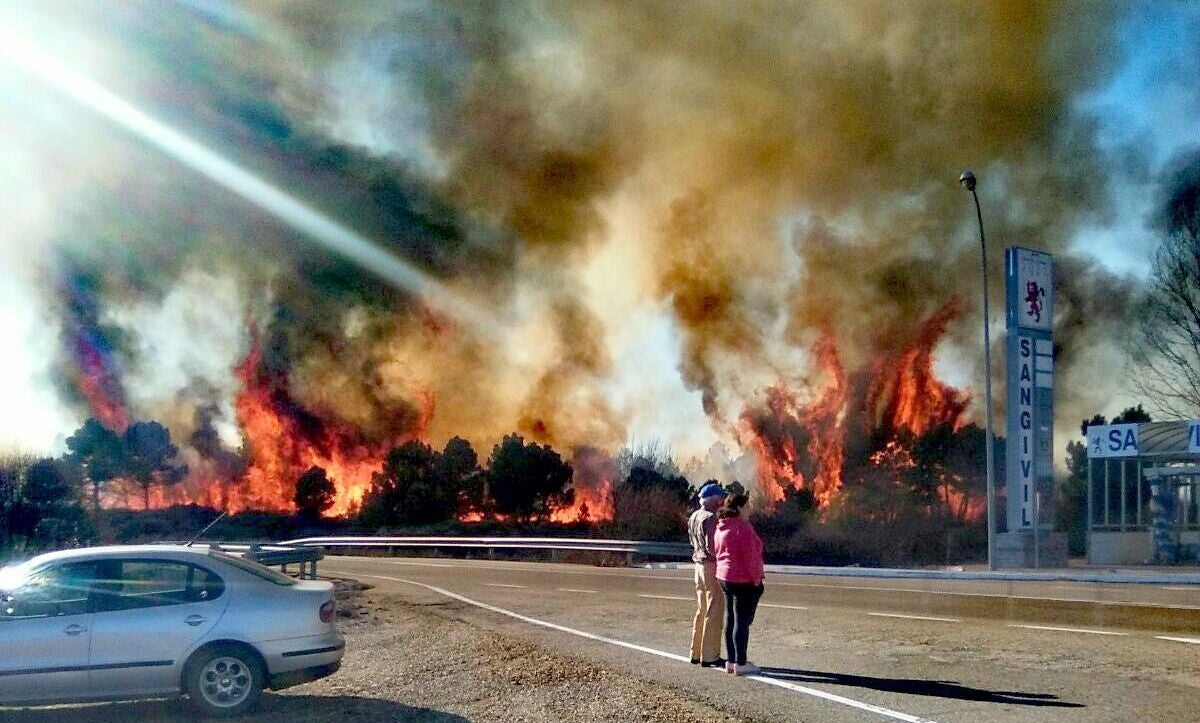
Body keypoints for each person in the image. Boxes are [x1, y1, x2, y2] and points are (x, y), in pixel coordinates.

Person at [713, 491, 764, 676]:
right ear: (739, 508)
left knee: (732, 619)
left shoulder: (721, 526)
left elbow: (718, 551)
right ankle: (741, 664)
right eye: (747, 506)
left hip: (724, 577)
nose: (750, 509)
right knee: (741, 621)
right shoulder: (742, 528)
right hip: (742, 579)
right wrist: (757, 580)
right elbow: (751, 558)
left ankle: (732, 661)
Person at [687, 482, 727, 668]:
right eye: (720, 498)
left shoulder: (694, 516)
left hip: (698, 566)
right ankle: (710, 655)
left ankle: (695, 652)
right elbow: (713, 548)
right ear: (712, 499)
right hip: (711, 567)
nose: (722, 501)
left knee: (701, 609)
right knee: (715, 610)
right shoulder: (711, 518)